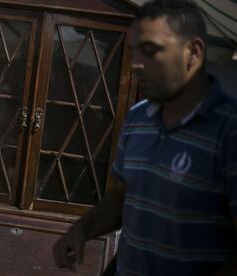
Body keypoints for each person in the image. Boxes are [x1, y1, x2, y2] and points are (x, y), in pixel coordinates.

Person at [53, 1, 237, 275]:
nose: (136, 64)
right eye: (133, 52)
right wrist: (81, 229)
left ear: (193, 52)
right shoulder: (138, 118)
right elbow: (122, 197)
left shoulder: (229, 131)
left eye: (150, 51)